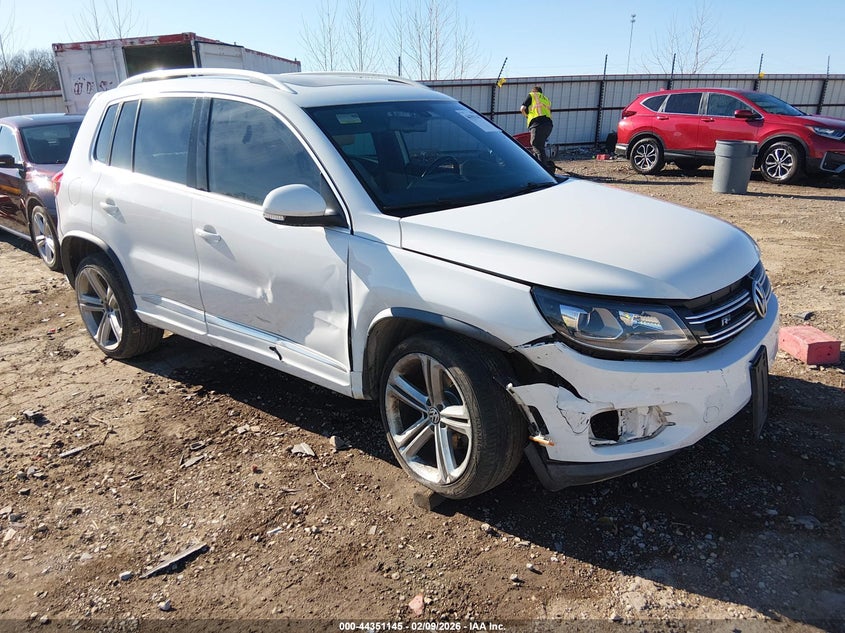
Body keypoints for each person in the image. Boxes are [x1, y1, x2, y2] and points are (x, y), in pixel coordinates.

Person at [520, 86, 555, 174]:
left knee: (536, 145)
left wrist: (527, 116)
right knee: (539, 146)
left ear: (534, 91)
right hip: (548, 125)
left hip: (538, 123)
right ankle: (538, 166)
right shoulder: (546, 99)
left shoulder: (532, 95)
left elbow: (522, 109)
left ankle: (543, 171)